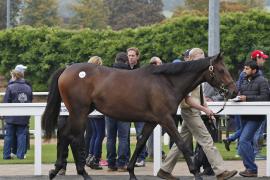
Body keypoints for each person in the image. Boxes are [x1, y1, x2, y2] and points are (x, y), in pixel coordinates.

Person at [157, 48, 237, 180]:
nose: (203, 61)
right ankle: (221, 171)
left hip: (194, 110)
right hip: (189, 111)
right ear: (191, 59)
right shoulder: (186, 75)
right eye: (200, 59)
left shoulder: (197, 73)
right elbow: (187, 99)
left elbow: (200, 94)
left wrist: (206, 108)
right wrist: (204, 109)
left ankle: (165, 170)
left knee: (180, 142)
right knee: (207, 140)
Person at [222, 50, 268, 158]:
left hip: (245, 109)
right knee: (254, 132)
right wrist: (241, 97)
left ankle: (235, 144)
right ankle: (255, 153)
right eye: (262, 58)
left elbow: (239, 89)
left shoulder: (254, 76)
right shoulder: (252, 74)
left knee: (244, 131)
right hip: (251, 110)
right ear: (256, 58)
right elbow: (240, 90)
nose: (264, 60)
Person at [236, 60, 269, 177]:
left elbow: (265, 97)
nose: (244, 71)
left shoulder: (263, 81)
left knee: (244, 141)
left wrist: (247, 98)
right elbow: (239, 94)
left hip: (256, 117)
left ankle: (252, 168)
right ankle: (249, 169)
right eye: (244, 68)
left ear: (254, 70)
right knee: (242, 142)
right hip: (244, 116)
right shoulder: (244, 80)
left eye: (247, 69)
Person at [105, 52, 131, 172]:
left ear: (116, 60)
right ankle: (121, 164)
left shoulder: (107, 74)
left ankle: (110, 164)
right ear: (126, 62)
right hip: (125, 110)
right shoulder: (130, 74)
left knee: (110, 137)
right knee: (123, 138)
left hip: (109, 109)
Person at [3, 64, 33, 159]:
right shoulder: (28, 87)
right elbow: (30, 100)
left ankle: (6, 155)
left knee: (9, 136)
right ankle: (20, 155)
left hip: (11, 116)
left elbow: (6, 101)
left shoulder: (10, 87)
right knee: (21, 136)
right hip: (23, 116)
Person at [127, 47, 148, 167]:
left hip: (140, 108)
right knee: (125, 136)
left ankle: (141, 158)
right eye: (129, 55)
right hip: (126, 107)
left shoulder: (142, 70)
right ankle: (130, 158)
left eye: (133, 55)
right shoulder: (123, 69)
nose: (130, 58)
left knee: (141, 133)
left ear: (137, 57)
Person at [85, 56, 105, 170]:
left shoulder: (86, 77)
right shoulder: (97, 77)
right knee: (100, 134)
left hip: (90, 111)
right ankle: (95, 158)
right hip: (98, 110)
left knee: (94, 134)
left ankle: (90, 156)